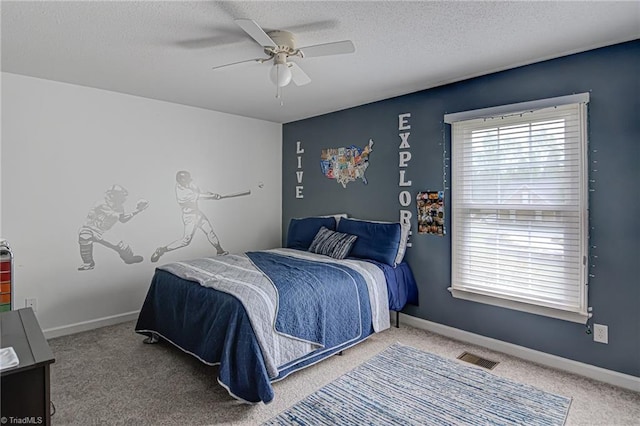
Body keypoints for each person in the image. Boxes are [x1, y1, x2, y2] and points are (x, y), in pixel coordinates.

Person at [151, 170, 227, 262]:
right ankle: (162, 250)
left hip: (197, 213)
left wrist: (211, 194)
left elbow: (200, 191)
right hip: (189, 217)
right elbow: (199, 196)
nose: (189, 180)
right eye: (187, 179)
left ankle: (220, 251)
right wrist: (213, 196)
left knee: (209, 231)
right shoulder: (182, 193)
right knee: (185, 241)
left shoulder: (186, 184)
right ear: (181, 180)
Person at [78, 185, 149, 271]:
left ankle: (129, 258)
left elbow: (123, 220)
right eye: (120, 195)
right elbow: (112, 215)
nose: (122, 198)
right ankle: (88, 263)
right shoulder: (101, 204)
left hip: (103, 231)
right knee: (84, 236)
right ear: (112, 195)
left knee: (121, 245)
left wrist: (137, 211)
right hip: (90, 228)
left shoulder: (119, 207)